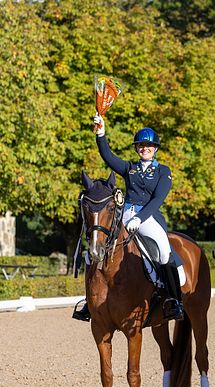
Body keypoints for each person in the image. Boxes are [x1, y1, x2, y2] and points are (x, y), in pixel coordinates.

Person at [72, 115, 183, 322]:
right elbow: (107, 156)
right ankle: (90, 301)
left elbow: (158, 199)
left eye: (148, 146)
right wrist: (101, 133)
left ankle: (174, 301)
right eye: (141, 145)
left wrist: (140, 219)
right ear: (137, 148)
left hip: (148, 217)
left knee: (163, 249)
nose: (144, 149)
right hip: (124, 215)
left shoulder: (163, 171)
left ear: (155, 148)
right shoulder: (129, 168)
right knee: (95, 248)